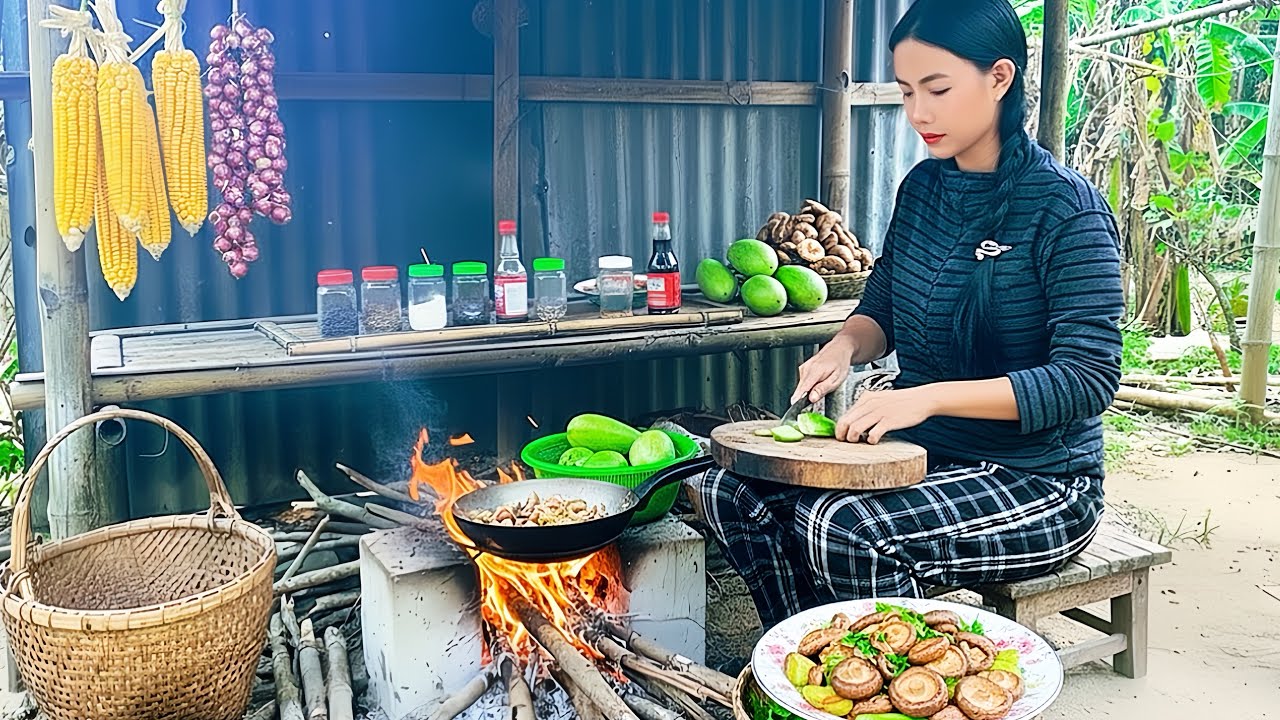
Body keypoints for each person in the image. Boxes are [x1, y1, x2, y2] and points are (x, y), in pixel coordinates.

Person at [697, 0, 1123, 629]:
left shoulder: (1066, 209)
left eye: (938, 89)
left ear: (999, 78)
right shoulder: (921, 189)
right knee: (729, 490)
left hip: (1042, 480)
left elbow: (1088, 380)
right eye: (905, 90)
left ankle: (887, 680)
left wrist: (924, 399)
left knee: (845, 529)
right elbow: (882, 311)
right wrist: (842, 348)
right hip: (925, 454)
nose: (918, 112)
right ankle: (816, 662)